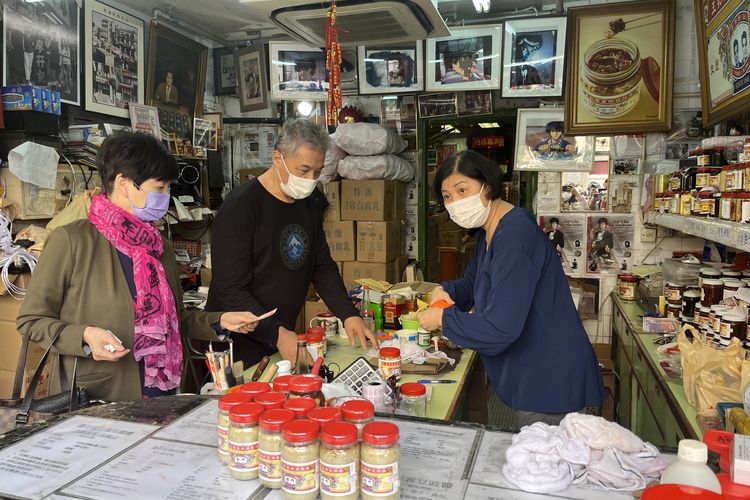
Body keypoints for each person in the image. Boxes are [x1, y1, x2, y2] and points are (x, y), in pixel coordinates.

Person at [16, 132, 261, 402]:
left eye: (168, 188)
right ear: (123, 183)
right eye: (159, 188)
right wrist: (84, 336)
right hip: (97, 394)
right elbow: (31, 321)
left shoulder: (158, 247)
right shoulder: (72, 242)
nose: (166, 197)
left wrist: (219, 321)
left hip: (161, 390)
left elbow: (172, 320)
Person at [416, 150, 604, 428]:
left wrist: (442, 319)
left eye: (462, 190)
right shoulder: (491, 231)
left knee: (542, 469)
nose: (455, 202)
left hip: (550, 386)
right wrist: (445, 291)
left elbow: (500, 329)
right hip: (528, 378)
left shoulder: (515, 238)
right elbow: (472, 283)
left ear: (487, 186)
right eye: (447, 197)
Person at [207, 119, 377, 367]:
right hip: (240, 341)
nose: (310, 179)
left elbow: (321, 266)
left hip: (281, 334)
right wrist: (276, 333)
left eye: (317, 172)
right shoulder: (241, 207)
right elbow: (229, 289)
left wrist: (348, 314)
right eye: (304, 170)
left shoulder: (308, 204)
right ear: (278, 159)